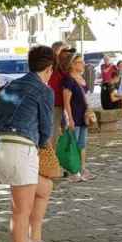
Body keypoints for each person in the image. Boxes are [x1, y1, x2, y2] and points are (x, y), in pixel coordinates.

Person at [0, 45, 58, 242]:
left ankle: (34, 241)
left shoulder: (13, 84)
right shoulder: (44, 90)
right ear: (49, 68)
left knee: (45, 187)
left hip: (0, 148)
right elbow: (46, 128)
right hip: (21, 148)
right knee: (20, 211)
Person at [62, 51, 94, 182]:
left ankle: (82, 168)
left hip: (83, 116)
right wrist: (70, 119)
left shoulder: (82, 79)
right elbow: (66, 102)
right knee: (72, 145)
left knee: (82, 144)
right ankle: (72, 171)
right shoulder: (68, 80)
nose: (83, 64)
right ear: (73, 64)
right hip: (74, 116)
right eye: (81, 62)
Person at [48, 42, 69, 172]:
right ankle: (50, 163)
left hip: (62, 105)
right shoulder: (52, 65)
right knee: (53, 133)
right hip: (54, 104)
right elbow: (53, 58)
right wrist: (58, 50)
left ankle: (57, 161)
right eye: (64, 51)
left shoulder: (62, 67)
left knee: (61, 133)